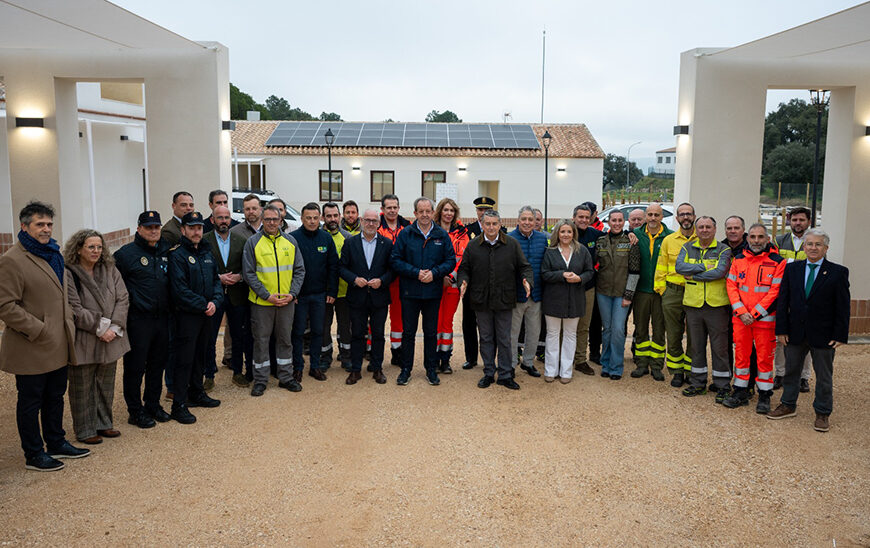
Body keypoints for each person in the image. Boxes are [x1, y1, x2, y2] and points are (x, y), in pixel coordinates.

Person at [0, 201, 90, 471]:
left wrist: (67, 320)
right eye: (40, 224)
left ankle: (56, 441)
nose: (46, 229)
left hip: (58, 342)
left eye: (49, 224)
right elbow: (5, 306)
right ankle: (34, 454)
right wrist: (38, 329)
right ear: (24, 226)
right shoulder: (12, 260)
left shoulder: (53, 253)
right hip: (32, 345)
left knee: (55, 396)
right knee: (31, 401)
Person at [769, 228, 850, 433]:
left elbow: (843, 306)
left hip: (824, 334)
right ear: (804, 247)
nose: (813, 248)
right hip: (794, 332)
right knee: (791, 371)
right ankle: (788, 404)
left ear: (826, 248)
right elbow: (783, 301)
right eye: (810, 244)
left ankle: (822, 412)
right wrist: (781, 329)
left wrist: (840, 334)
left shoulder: (838, 272)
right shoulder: (791, 269)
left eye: (818, 244)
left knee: (824, 375)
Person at [63, 230, 130, 445]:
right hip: (85, 337)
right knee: (82, 387)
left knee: (105, 384)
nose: (96, 251)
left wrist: (115, 327)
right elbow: (73, 307)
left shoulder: (109, 269)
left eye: (99, 247)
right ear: (78, 249)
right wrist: (101, 328)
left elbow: (123, 298)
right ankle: (84, 429)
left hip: (112, 336)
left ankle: (103, 423)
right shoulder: (68, 272)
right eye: (91, 247)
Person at [458, 209, 532, 390]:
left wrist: (526, 280)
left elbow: (524, 266)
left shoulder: (511, 244)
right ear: (482, 225)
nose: (491, 227)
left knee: (504, 338)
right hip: (481, 300)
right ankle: (489, 372)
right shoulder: (473, 245)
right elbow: (464, 268)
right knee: (486, 337)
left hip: (504, 299)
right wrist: (463, 281)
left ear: (500, 225)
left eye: (494, 224)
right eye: (487, 224)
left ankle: (505, 374)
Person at [114, 211, 172, 429]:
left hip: (162, 318)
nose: (153, 231)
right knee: (135, 367)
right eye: (148, 227)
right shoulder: (125, 254)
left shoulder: (167, 250)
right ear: (139, 229)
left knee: (157, 365)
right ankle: (135, 410)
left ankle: (153, 404)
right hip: (138, 320)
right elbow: (116, 288)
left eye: (156, 227)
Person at [391, 197, 456, 386]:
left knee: (430, 333)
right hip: (409, 292)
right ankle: (406, 369)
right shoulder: (406, 234)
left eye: (428, 211)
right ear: (415, 213)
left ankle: (431, 369)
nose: (425, 215)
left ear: (433, 213)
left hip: (432, 292)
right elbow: (395, 260)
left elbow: (450, 261)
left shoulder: (441, 235)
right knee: (408, 333)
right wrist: (416, 273)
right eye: (421, 211)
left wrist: (434, 273)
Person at [242, 204, 305, 396]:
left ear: (280, 220)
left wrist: (292, 294)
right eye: (267, 219)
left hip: (286, 302)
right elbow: (249, 273)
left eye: (274, 219)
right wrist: (266, 295)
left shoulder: (290, 241)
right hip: (262, 303)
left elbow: (299, 270)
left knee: (285, 340)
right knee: (261, 341)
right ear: (262, 220)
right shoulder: (253, 243)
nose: (271, 223)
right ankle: (260, 380)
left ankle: (286, 377)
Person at [167, 212, 222, 424]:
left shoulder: (206, 252)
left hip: (206, 314)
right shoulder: (177, 256)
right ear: (183, 230)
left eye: (199, 228)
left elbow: (216, 281)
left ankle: (196, 393)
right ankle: (179, 404)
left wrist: (215, 301)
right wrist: (203, 305)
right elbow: (179, 290)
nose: (196, 232)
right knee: (184, 359)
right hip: (187, 317)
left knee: (201, 355)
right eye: (192, 228)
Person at [723, 224, 784, 412]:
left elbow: (775, 291)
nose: (756, 241)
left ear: (767, 239)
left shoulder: (778, 262)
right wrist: (742, 312)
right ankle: (740, 391)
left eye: (760, 237)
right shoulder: (739, 259)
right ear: (747, 238)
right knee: (741, 356)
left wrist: (755, 314)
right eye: (753, 237)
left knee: (764, 359)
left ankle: (764, 395)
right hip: (741, 320)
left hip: (764, 321)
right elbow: (731, 286)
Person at [675, 216, 732, 397]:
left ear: (715, 229)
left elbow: (719, 272)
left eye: (708, 227)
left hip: (716, 306)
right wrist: (704, 266)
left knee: (719, 348)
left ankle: (722, 385)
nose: (704, 230)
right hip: (693, 306)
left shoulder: (724, 249)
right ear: (696, 230)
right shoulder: (687, 247)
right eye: (701, 227)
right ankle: (698, 383)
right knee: (696, 347)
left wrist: (694, 275)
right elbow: (679, 267)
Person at [339, 208, 394, 384]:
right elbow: (341, 268)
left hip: (379, 297)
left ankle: (377, 368)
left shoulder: (387, 244)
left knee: (378, 335)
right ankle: (355, 370)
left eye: (374, 221)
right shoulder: (350, 243)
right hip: (357, 296)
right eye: (367, 220)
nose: (370, 224)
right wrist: (354, 279)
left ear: (379, 223)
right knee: (357, 334)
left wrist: (382, 281)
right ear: (362, 221)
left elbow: (393, 270)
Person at [540, 220, 595, 383]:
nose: (566, 235)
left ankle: (566, 371)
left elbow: (590, 271)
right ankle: (551, 370)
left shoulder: (582, 250)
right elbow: (544, 273)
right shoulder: (550, 252)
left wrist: (580, 278)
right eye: (562, 231)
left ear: (573, 233)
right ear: (557, 233)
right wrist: (561, 275)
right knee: (552, 334)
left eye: (569, 232)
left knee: (570, 335)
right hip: (553, 300)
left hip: (575, 299)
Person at [290, 203, 339, 382]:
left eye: (315, 218)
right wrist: (292, 293)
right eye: (308, 218)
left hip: (320, 295)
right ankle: (297, 367)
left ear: (320, 219)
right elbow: (289, 269)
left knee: (318, 331)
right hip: (299, 296)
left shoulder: (326, 239)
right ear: (302, 219)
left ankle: (315, 367)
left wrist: (332, 290)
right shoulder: (293, 239)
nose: (312, 221)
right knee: (298, 332)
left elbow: (333, 266)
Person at [203, 205, 251, 388]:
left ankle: (238, 372)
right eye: (220, 217)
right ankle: (209, 375)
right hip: (213, 296)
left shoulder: (241, 240)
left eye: (226, 217)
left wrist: (240, 277)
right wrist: (218, 278)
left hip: (237, 295)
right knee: (210, 336)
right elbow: (201, 268)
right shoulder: (204, 241)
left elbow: (248, 267)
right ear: (212, 220)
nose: (224, 221)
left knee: (238, 335)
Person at [655, 202, 697, 386]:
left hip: (695, 291)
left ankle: (691, 370)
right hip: (672, 292)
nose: (686, 217)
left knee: (695, 334)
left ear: (694, 216)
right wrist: (663, 291)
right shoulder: (668, 240)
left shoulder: (701, 238)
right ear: (677, 218)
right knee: (673, 335)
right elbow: (661, 267)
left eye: (689, 214)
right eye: (682, 214)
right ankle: (677, 371)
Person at [595, 210, 640, 380]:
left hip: (622, 293)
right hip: (603, 292)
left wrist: (629, 295)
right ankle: (605, 364)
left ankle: (616, 367)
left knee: (618, 330)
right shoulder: (600, 241)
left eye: (620, 220)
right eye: (613, 220)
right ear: (608, 222)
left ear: (624, 222)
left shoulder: (631, 241)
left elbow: (635, 271)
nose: (616, 223)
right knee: (607, 329)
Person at [630, 203, 672, 381]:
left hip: (661, 291)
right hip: (641, 290)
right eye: (650, 214)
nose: (653, 218)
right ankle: (641, 364)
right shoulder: (636, 234)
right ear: (646, 216)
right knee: (640, 328)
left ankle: (656, 366)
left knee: (659, 329)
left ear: (662, 217)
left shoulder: (670, 236)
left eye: (657, 215)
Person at [773, 206, 813, 392]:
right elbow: (774, 264)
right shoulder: (779, 240)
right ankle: (780, 374)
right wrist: (797, 265)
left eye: (802, 220)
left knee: (806, 337)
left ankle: (804, 377)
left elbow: (815, 265)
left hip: (805, 295)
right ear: (789, 221)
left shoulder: (813, 241)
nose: (798, 223)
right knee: (780, 336)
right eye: (795, 219)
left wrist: (788, 264)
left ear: (808, 222)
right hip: (783, 293)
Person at [462, 196, 503, 370]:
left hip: (493, 286)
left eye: (487, 210)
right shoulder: (467, 230)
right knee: (469, 322)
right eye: (480, 210)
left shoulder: (502, 232)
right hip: (472, 285)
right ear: (476, 211)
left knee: (492, 326)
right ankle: (471, 358)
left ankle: (491, 359)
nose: (483, 212)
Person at [509, 206, 548, 378]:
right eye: (523, 219)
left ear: (535, 221)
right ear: (518, 221)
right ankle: (511, 363)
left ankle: (528, 362)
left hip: (536, 293)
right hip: (516, 294)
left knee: (534, 331)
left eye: (530, 219)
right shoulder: (510, 238)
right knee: (513, 332)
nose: (527, 222)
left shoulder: (543, 239)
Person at [433, 198, 469, 374]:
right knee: (434, 321)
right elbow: (429, 257)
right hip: (434, 283)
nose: (448, 213)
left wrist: (452, 276)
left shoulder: (462, 234)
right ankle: (433, 358)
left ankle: (445, 359)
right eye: (446, 210)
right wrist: (440, 277)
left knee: (447, 322)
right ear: (440, 211)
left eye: (452, 210)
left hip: (453, 284)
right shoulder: (432, 231)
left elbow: (463, 258)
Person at [378, 194, 410, 365]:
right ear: (382, 209)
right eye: (388, 207)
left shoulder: (407, 227)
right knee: (376, 318)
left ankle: (397, 352)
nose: (392, 210)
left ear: (398, 208)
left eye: (394, 207)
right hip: (381, 280)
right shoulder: (376, 226)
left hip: (401, 281)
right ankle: (372, 352)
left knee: (398, 319)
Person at [572, 204, 605, 373]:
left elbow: (614, 235)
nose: (584, 220)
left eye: (587, 217)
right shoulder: (566, 232)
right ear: (574, 218)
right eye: (581, 217)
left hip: (588, 287)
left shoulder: (595, 234)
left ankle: (580, 360)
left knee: (584, 326)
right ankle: (564, 358)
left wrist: (629, 234)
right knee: (566, 326)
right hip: (568, 288)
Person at [320, 202, 352, 370]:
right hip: (324, 292)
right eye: (328, 216)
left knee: (345, 326)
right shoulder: (318, 236)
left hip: (345, 292)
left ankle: (346, 356)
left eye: (335, 215)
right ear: (322, 217)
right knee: (324, 326)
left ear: (340, 216)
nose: (332, 219)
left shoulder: (348, 237)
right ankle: (325, 357)